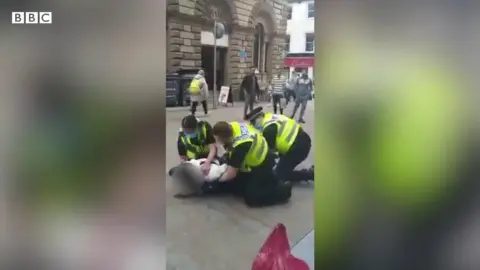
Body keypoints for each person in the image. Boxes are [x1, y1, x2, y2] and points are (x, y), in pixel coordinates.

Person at [211, 121, 292, 207]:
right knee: (237, 187)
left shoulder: (241, 145)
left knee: (252, 198)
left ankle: (283, 191)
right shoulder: (234, 126)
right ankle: (269, 182)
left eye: (219, 139)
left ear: (224, 137)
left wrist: (215, 181)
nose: (218, 141)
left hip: (263, 164)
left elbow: (231, 173)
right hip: (260, 154)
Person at [247, 107, 314, 183]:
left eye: (253, 121)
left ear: (259, 117)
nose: (252, 124)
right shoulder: (271, 117)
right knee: (281, 167)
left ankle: (310, 174)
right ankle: (287, 169)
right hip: (302, 140)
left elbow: (269, 154)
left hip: (298, 149)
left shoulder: (268, 130)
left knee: (279, 175)